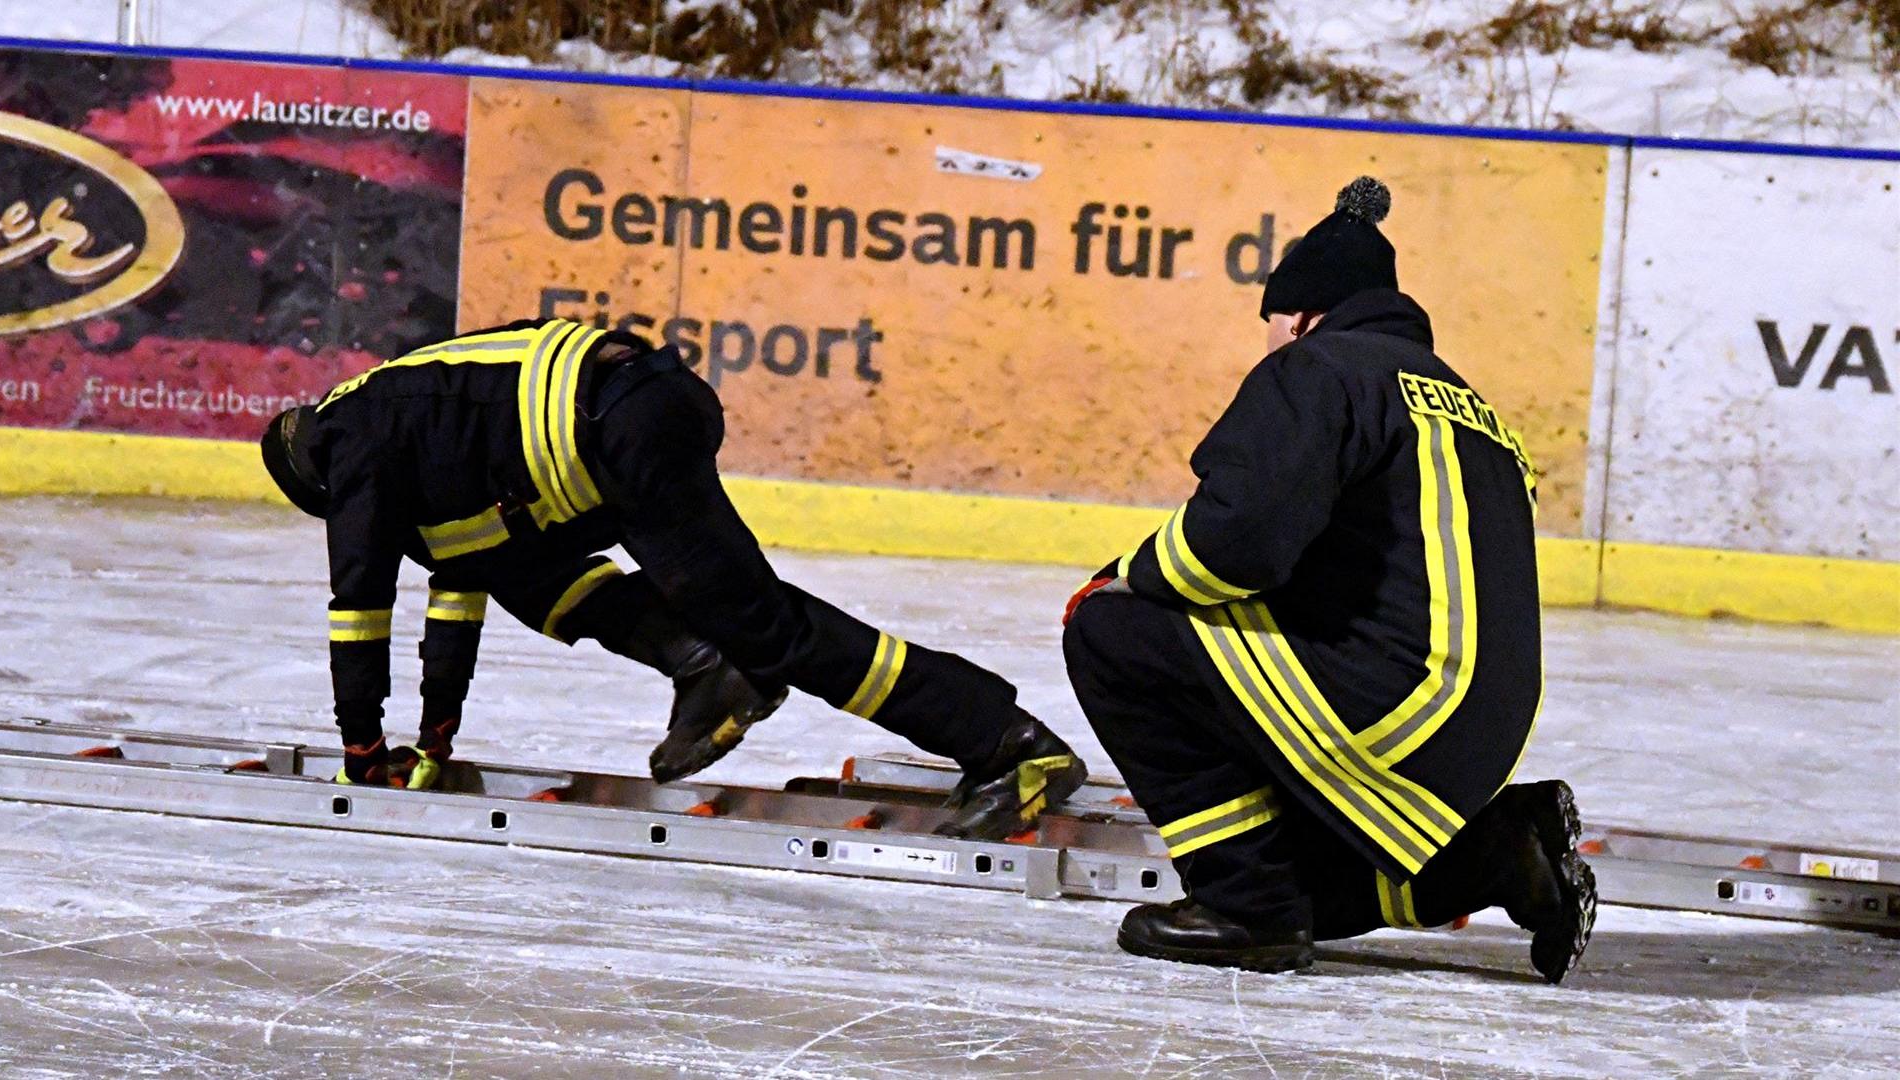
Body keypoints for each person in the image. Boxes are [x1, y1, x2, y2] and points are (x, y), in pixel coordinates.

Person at [260, 318, 1088, 840]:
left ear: (313, 482)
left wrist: (363, 751)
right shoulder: (408, 423)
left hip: (620, 427)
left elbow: (360, 604)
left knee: (768, 626)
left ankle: (1006, 744)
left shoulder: (350, 443)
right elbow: (459, 586)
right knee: (526, 574)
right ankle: (706, 666)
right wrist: (437, 736)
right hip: (628, 415)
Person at [1060, 177, 1595, 982]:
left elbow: (1236, 542)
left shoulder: (1322, 369)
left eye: (1270, 325)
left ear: (1303, 315)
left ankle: (1244, 912)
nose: (1268, 345)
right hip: (1479, 732)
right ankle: (1497, 851)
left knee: (1111, 633)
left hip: (1401, 704)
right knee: (1302, 881)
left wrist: (1124, 578)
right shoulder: (1464, 403)